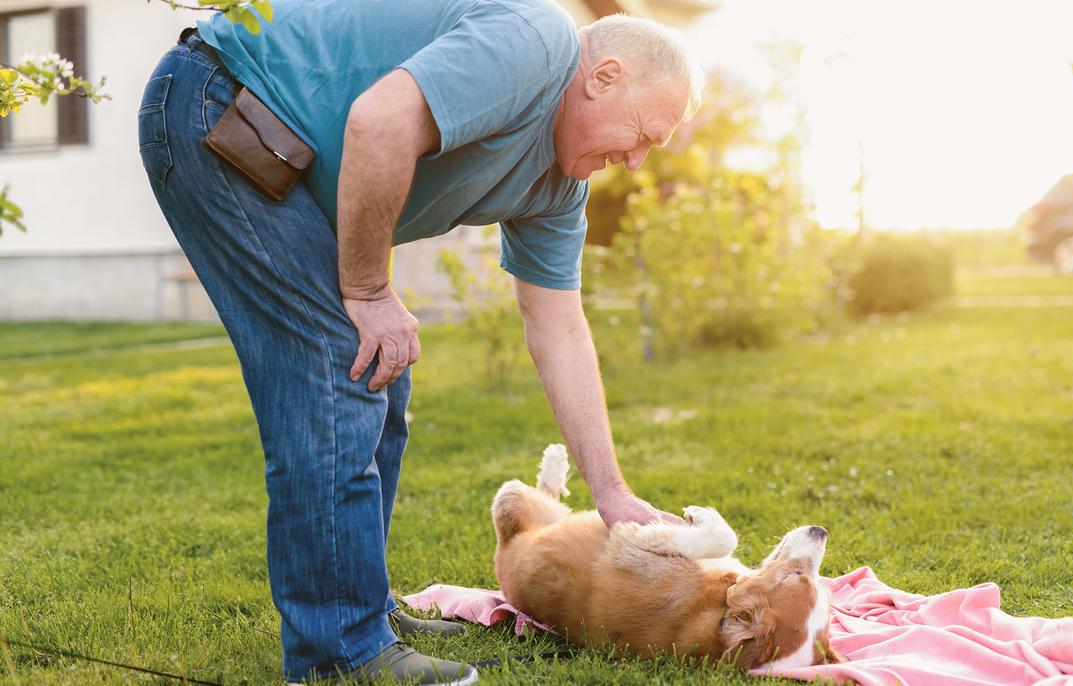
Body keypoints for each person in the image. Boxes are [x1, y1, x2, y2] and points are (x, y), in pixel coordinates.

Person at [137, 0, 703, 683]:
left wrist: (610, 492)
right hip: (222, 101)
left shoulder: (558, 188)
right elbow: (379, 122)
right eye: (642, 135)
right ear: (603, 76)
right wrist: (370, 293)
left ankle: (360, 611)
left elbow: (558, 328)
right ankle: (339, 654)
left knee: (379, 368)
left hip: (285, 153)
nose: (637, 162)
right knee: (340, 364)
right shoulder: (535, 42)